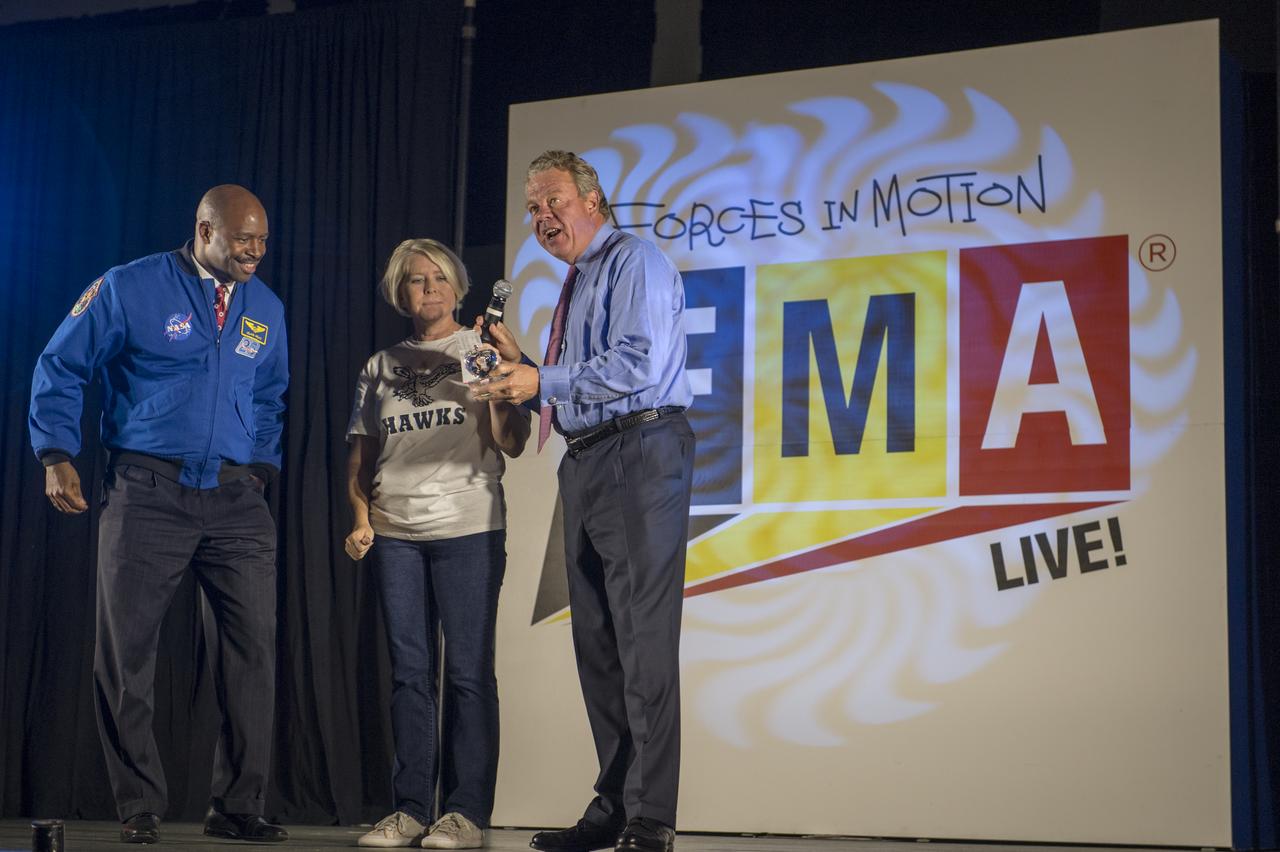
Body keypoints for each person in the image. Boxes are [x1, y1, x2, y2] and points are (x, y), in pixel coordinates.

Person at [29, 185, 290, 844]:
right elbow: (60, 366)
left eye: (263, 240)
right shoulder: (129, 287)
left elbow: (270, 396)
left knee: (252, 654)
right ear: (204, 231)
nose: (256, 252)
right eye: (243, 240)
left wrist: (259, 468)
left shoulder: (266, 308)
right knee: (128, 654)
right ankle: (138, 803)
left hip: (234, 501)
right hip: (148, 492)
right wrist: (57, 451)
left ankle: (238, 806)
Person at [473, 151, 694, 852]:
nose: (542, 219)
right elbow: (578, 378)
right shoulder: (580, 280)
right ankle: (615, 803)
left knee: (641, 640)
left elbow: (635, 365)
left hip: (640, 451)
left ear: (593, 201)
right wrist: (522, 361)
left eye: (553, 202)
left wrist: (539, 378)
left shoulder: (636, 263)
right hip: (590, 459)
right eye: (533, 208)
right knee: (598, 643)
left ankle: (650, 815)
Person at [345, 239, 530, 849]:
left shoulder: (478, 351)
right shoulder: (379, 366)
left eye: (440, 278)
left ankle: (466, 812)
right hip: (396, 532)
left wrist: (500, 390)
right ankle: (410, 809)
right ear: (401, 293)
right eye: (417, 281)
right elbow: (361, 456)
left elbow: (511, 442)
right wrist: (360, 513)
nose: (431, 289)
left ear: (458, 286)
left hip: (469, 526)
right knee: (410, 674)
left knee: (471, 674)